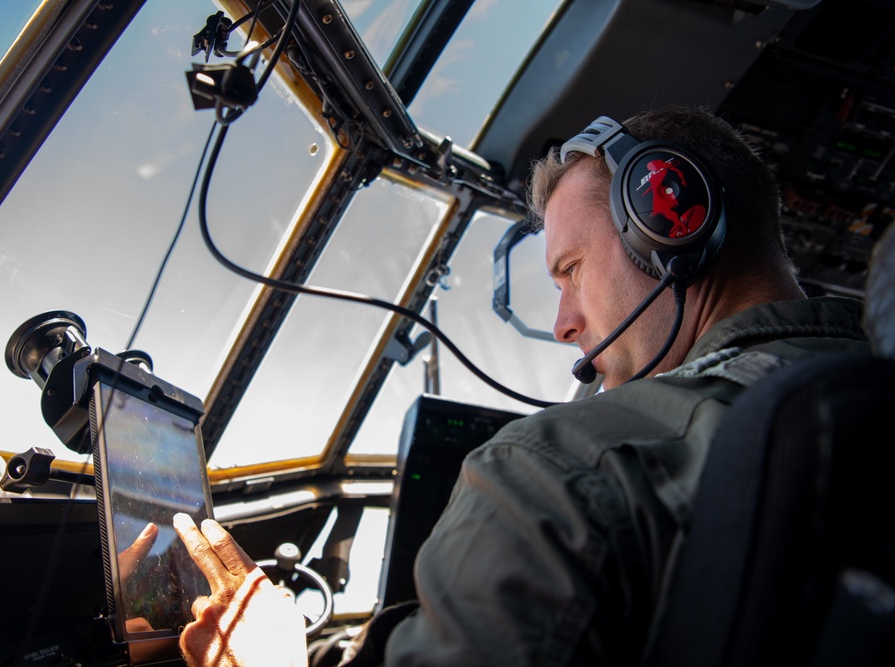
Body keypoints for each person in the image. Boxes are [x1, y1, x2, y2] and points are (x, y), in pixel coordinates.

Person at [171, 107, 870, 666]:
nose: (566, 324)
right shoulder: (867, 396)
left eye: (569, 269)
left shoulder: (565, 468)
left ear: (668, 217)